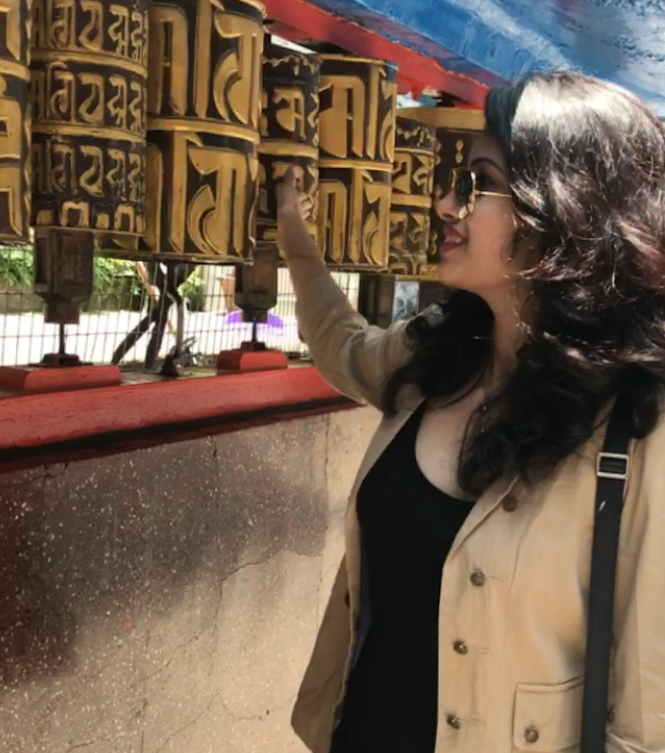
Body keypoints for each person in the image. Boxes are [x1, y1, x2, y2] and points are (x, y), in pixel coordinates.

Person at [277, 71, 665, 753]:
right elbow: (343, 348)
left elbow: (646, 722)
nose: (445, 203)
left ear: (561, 211)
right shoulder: (436, 356)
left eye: (478, 182)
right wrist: (294, 239)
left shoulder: (638, 424)